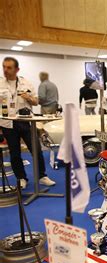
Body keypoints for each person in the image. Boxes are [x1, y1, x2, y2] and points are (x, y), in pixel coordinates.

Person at [0, 57, 55, 189]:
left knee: (36, 149)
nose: (5, 70)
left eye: (9, 68)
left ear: (17, 69)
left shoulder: (26, 83)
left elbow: (36, 102)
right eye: (4, 67)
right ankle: (21, 178)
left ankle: (42, 176)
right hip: (7, 123)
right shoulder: (1, 84)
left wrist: (28, 97)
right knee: (15, 153)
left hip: (25, 122)